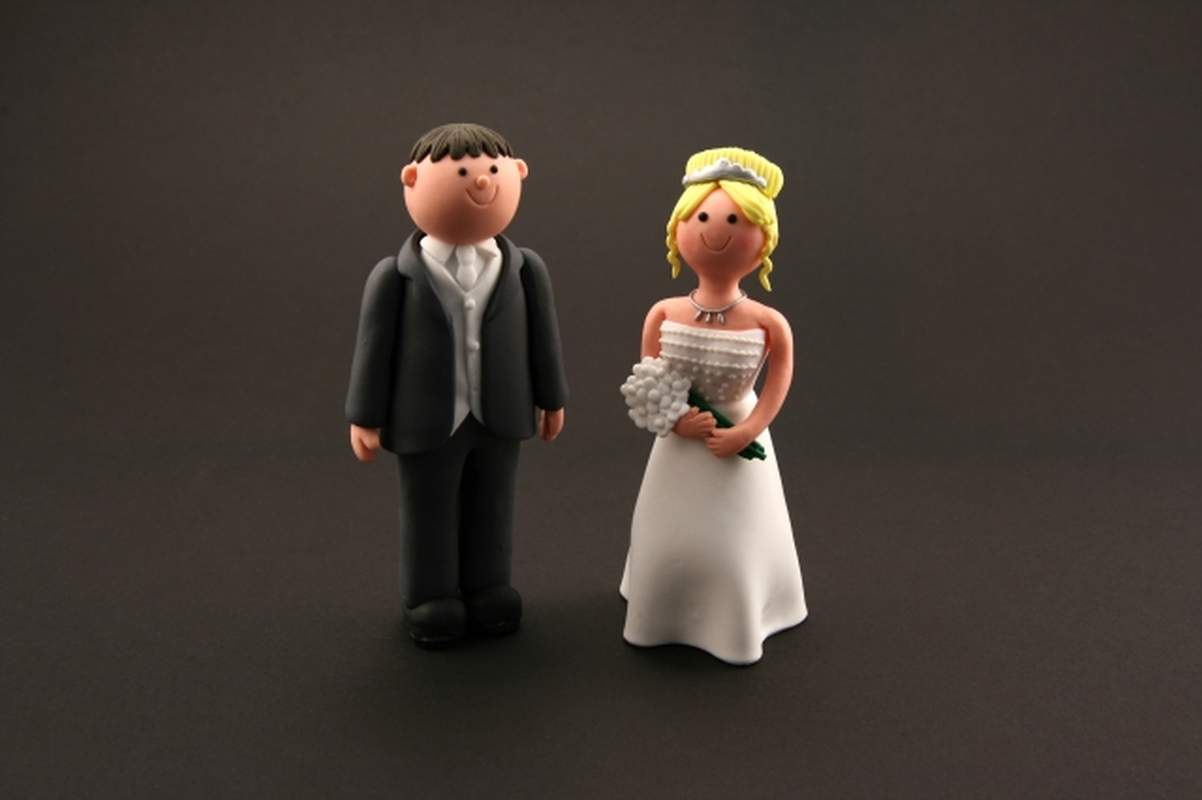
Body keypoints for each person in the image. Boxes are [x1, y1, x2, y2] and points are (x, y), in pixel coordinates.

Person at [346, 123, 568, 647]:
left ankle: (488, 586)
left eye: (492, 170)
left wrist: (552, 398)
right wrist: (365, 415)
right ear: (411, 180)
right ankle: (430, 595)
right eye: (464, 172)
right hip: (426, 419)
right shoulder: (394, 277)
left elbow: (544, 339)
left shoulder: (525, 269)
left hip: (501, 413)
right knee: (428, 509)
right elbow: (373, 349)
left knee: (494, 503)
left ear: (518, 175)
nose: (482, 181)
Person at [620, 147, 807, 665]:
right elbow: (650, 376)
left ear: (763, 239)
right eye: (702, 218)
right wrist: (675, 420)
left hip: (736, 437)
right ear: (679, 229)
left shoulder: (768, 323)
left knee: (737, 532)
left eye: (734, 221)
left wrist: (748, 430)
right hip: (679, 444)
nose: (715, 230)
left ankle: (737, 613)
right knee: (668, 525)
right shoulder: (663, 313)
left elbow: (779, 381)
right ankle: (661, 601)